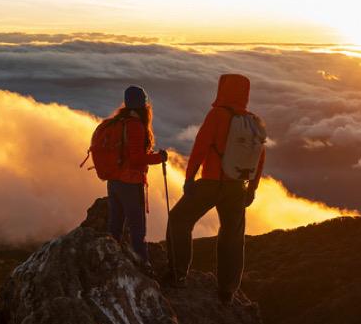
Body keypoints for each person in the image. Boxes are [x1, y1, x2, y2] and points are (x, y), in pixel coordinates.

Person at [166, 74, 266, 305]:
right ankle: (227, 290)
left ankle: (178, 274)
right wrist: (252, 189)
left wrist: (189, 178)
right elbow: (259, 158)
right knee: (232, 236)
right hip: (237, 187)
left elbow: (200, 147)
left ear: (223, 89)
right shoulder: (252, 121)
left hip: (211, 182)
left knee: (179, 220)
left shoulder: (217, 115)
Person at [105, 86, 167, 271]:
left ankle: (110, 262)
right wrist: (159, 158)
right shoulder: (135, 125)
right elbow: (136, 158)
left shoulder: (118, 122)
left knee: (115, 225)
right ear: (143, 104)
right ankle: (142, 263)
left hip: (114, 181)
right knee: (137, 227)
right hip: (130, 183)